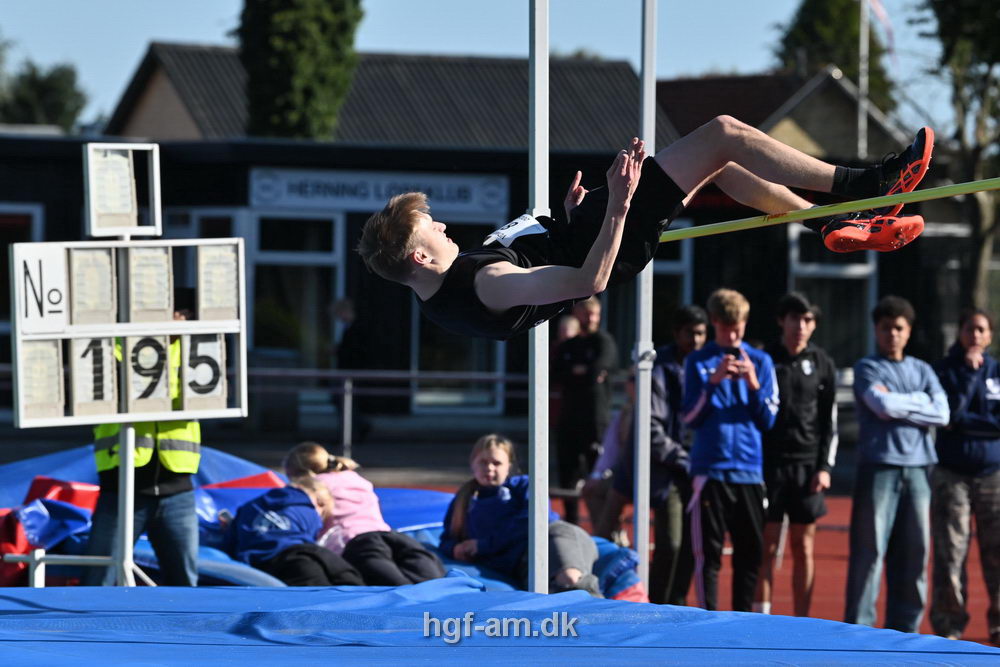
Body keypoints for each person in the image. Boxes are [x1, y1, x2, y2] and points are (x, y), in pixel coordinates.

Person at [357, 120, 934, 341]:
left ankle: (832, 226)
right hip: (609, 235)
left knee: (725, 168)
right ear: (419, 258)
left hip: (585, 224)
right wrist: (619, 205)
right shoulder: (487, 286)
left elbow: (536, 256)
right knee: (724, 135)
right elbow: (588, 282)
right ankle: (867, 183)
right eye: (431, 227)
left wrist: (565, 214)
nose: (442, 223)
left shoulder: (450, 286)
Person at [844, 295, 949, 632]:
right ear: (876, 330)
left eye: (898, 328)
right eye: (886, 328)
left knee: (916, 554)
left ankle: (906, 631)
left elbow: (942, 413)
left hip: (919, 470)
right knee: (869, 554)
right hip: (879, 468)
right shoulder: (867, 368)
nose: (892, 334)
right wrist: (919, 403)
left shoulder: (923, 369)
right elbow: (881, 406)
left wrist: (902, 402)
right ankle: (859, 630)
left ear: (908, 331)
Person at [84, 287, 202, 586]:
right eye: (180, 312)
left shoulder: (197, 352)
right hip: (121, 485)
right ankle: (89, 632)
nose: (184, 319)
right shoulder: (118, 346)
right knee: (99, 578)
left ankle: (183, 632)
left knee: (186, 584)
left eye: (188, 314)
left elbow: (195, 393)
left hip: (177, 488)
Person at [682, 288, 778, 612]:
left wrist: (753, 384)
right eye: (726, 328)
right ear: (714, 323)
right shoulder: (698, 361)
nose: (733, 335)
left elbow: (769, 420)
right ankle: (708, 620)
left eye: (738, 327)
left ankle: (743, 621)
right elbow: (689, 418)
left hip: (750, 471)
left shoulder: (761, 362)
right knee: (708, 555)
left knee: (750, 553)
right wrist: (714, 382)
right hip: (711, 470)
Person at [607, 305, 708, 605]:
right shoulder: (657, 368)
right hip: (662, 468)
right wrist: (686, 459)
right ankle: (658, 603)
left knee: (694, 545)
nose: (697, 339)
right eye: (691, 332)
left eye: (701, 333)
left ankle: (678, 604)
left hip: (695, 466)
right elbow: (650, 427)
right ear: (677, 333)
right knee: (670, 542)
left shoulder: (707, 365)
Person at [754, 293, 838, 617]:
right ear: (782, 321)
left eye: (808, 320)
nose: (801, 326)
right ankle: (761, 617)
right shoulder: (765, 359)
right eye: (795, 319)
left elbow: (829, 421)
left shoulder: (822, 363)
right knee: (768, 547)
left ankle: (803, 619)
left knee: (803, 547)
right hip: (771, 467)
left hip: (807, 469)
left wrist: (825, 467)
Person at [440, 433, 602, 596]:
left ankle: (604, 617)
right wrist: (455, 549)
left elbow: (535, 520)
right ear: (472, 464)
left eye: (497, 463)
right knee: (550, 593)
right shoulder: (464, 500)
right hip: (521, 563)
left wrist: (482, 546)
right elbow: (446, 539)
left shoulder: (523, 486)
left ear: (508, 466)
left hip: (550, 539)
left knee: (570, 579)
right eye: (483, 462)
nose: (489, 468)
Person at [930, 308, 1000, 644]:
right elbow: (949, 416)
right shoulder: (946, 371)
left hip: (993, 476)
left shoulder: (997, 372)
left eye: (981, 330)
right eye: (969, 329)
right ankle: (949, 626)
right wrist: (970, 380)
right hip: (952, 476)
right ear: (960, 332)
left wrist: (971, 423)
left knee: (997, 554)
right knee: (950, 553)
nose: (975, 336)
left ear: (989, 336)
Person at [283, 442, 446, 586]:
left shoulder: (312, 489)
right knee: (430, 584)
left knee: (397, 589)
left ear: (299, 475)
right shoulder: (354, 478)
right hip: (390, 537)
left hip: (357, 544)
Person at [226, 476, 364, 586]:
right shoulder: (308, 509)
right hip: (297, 555)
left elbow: (231, 542)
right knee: (343, 576)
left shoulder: (248, 507)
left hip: (266, 560)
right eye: (322, 512)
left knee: (318, 584)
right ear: (319, 501)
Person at [552, 297, 618, 523]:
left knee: (597, 474)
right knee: (567, 477)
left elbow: (597, 369)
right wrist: (583, 373)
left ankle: (602, 525)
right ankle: (571, 524)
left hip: (594, 421)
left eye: (594, 314)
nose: (590, 319)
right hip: (569, 420)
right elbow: (556, 375)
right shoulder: (568, 346)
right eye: (585, 313)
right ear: (577, 315)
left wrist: (580, 373)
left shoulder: (604, 342)